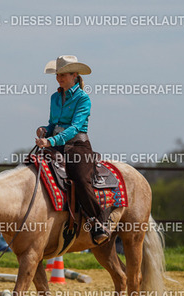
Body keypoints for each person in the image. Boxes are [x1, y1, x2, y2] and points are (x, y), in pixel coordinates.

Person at [35, 55, 109, 244]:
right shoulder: (54, 97)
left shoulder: (83, 99)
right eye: (57, 74)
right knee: (33, 167)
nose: (59, 78)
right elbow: (53, 123)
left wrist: (51, 141)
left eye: (63, 74)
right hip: (55, 143)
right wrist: (45, 130)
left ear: (74, 75)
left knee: (80, 179)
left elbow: (75, 127)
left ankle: (98, 221)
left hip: (77, 145)